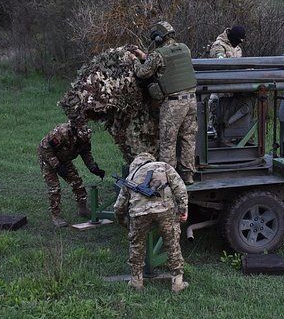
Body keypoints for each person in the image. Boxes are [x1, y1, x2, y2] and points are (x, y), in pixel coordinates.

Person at [129, 21, 197, 185]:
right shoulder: (184, 48)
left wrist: (134, 60)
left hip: (173, 104)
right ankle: (188, 176)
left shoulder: (158, 54)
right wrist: (143, 55)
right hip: (191, 100)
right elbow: (166, 62)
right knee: (188, 139)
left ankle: (168, 180)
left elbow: (142, 73)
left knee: (168, 142)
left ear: (158, 38)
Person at [113, 152, 189, 293]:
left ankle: (136, 282)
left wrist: (124, 223)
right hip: (165, 210)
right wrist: (183, 210)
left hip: (139, 214)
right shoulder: (164, 166)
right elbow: (180, 189)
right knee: (172, 244)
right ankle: (177, 283)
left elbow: (118, 207)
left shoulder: (131, 176)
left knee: (137, 247)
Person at [37, 117, 105, 227]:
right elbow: (46, 148)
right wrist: (57, 166)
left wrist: (93, 167)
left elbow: (86, 153)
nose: (83, 141)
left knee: (77, 182)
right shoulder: (61, 133)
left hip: (64, 159)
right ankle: (56, 215)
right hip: (48, 159)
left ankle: (83, 209)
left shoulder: (84, 137)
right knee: (55, 188)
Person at [208, 25, 245, 134]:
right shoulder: (218, 46)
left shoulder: (237, 49)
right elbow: (220, 64)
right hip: (218, 85)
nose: (238, 43)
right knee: (214, 102)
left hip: (233, 86)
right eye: (237, 40)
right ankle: (211, 127)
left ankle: (231, 131)